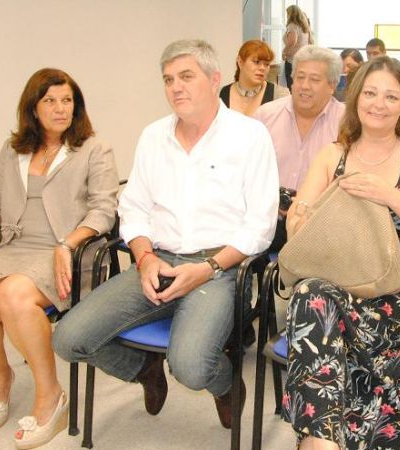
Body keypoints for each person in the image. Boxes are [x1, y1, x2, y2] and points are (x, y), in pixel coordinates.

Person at [53, 40, 278, 430]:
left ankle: (226, 386)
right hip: (158, 261)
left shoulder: (249, 136)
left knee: (191, 367)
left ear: (214, 79)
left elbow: (260, 225)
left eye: (186, 76)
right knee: (69, 339)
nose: (175, 87)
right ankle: (144, 369)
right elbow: (134, 208)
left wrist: (207, 268)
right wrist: (144, 258)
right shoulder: (153, 136)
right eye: (168, 79)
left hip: (220, 269)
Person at [282, 55, 400, 450]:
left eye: (391, 96)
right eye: (371, 93)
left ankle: (314, 440)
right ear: (356, 96)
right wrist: (303, 217)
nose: (379, 103)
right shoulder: (333, 155)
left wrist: (390, 196)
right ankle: (321, 442)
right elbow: (297, 222)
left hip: (394, 297)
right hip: (333, 287)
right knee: (314, 296)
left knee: (313, 307)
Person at [0, 68, 119, 449]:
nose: (60, 109)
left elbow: (104, 210)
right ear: (33, 108)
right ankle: (1, 378)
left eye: (67, 101)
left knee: (13, 296)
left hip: (67, 253)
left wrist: (68, 242)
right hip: (14, 248)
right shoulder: (14, 150)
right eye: (50, 101)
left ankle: (50, 395)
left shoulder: (94, 148)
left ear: (77, 107)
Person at [255, 45, 345, 250]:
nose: (304, 86)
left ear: (332, 85)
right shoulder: (265, 116)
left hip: (323, 227)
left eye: (314, 80)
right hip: (268, 221)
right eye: (300, 77)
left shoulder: (347, 123)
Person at [219, 39, 289, 116]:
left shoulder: (280, 95)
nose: (262, 68)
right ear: (240, 62)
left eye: (266, 64)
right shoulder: (220, 94)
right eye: (256, 62)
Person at [282, 5, 312, 90]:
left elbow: (292, 41)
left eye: (287, 13)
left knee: (292, 87)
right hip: (303, 60)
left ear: (290, 14)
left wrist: (284, 51)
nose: (286, 16)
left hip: (292, 61)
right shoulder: (304, 27)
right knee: (301, 86)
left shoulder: (292, 26)